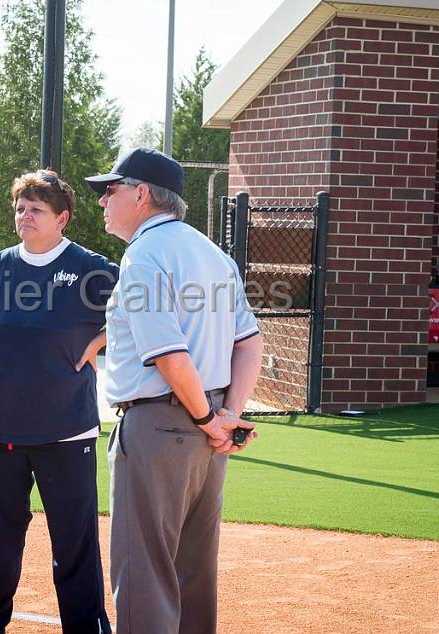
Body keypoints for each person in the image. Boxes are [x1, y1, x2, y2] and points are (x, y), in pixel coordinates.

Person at [85, 147, 264, 634]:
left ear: (141, 194)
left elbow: (168, 354)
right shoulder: (213, 254)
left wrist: (209, 417)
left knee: (145, 576)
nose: (103, 201)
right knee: (193, 573)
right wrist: (227, 416)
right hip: (209, 438)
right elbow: (250, 344)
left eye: (110, 190)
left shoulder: (144, 254)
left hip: (160, 427)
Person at [0, 170, 116, 634]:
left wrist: (97, 341)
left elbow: (137, 311)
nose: (25, 215)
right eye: (20, 207)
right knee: (2, 536)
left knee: (74, 541)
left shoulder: (90, 268)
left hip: (65, 432)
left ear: (61, 218)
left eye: (36, 208)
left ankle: (86, 627)